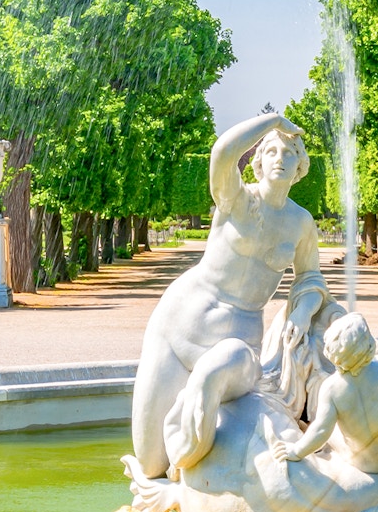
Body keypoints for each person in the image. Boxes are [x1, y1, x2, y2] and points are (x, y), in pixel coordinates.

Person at [130, 113, 332, 479]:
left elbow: (311, 279)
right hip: (178, 328)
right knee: (150, 464)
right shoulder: (236, 199)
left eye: (289, 153)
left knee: (221, 371)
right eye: (271, 151)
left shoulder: (301, 222)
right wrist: (274, 121)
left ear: (301, 166)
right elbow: (222, 151)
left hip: (240, 342)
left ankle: (196, 472)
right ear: (256, 162)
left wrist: (302, 313)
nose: (279, 158)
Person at [270, 313, 378, 512]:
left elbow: (321, 430)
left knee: (332, 432)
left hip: (364, 461)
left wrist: (295, 451)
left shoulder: (331, 388)